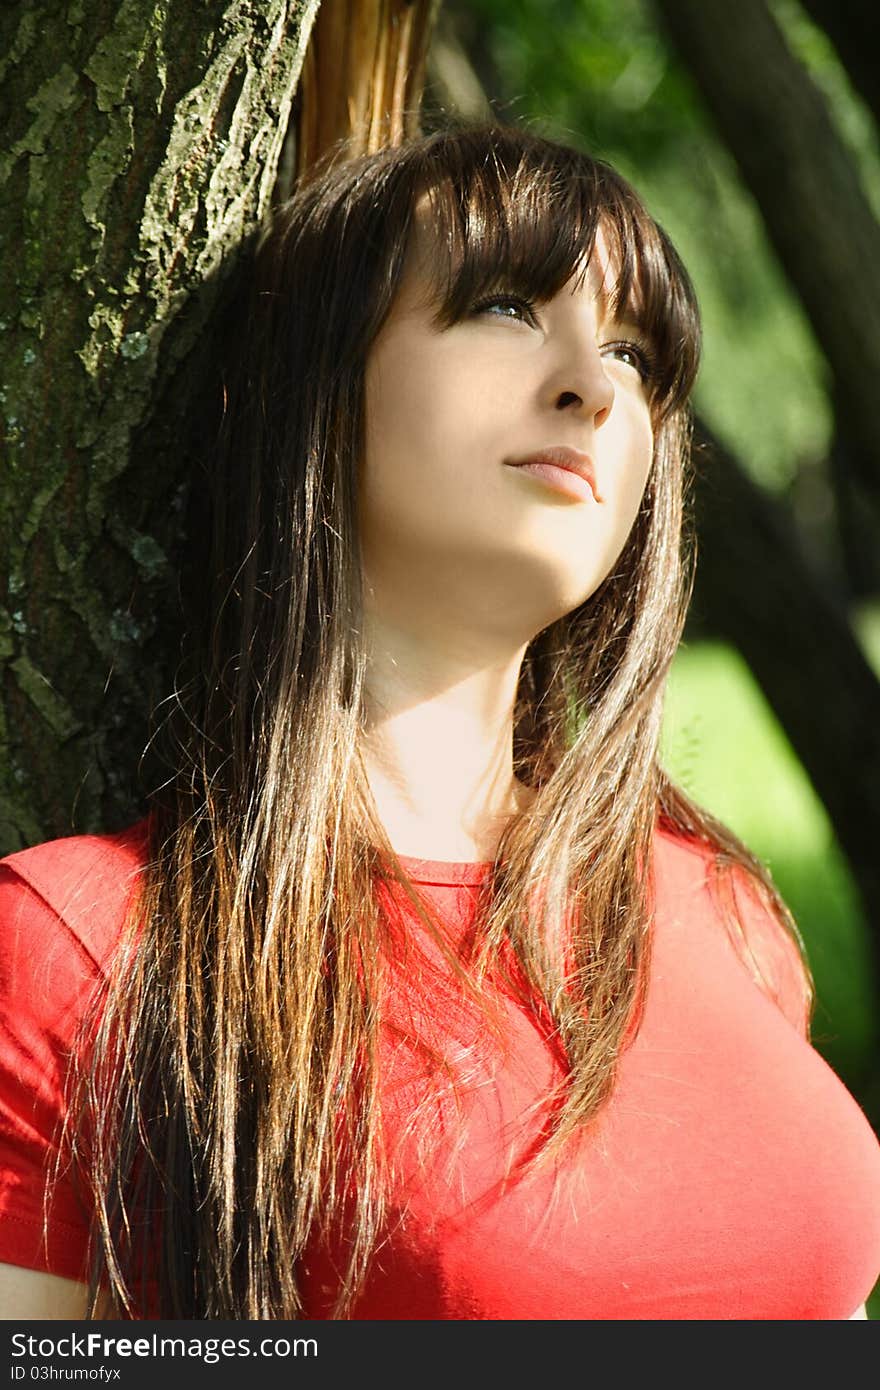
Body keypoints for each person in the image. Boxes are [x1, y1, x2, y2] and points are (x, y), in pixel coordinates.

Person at [1, 123, 879, 1322]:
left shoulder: (722, 911)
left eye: (636, 351)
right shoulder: (81, 953)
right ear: (311, 379)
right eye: (508, 306)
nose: (594, 382)